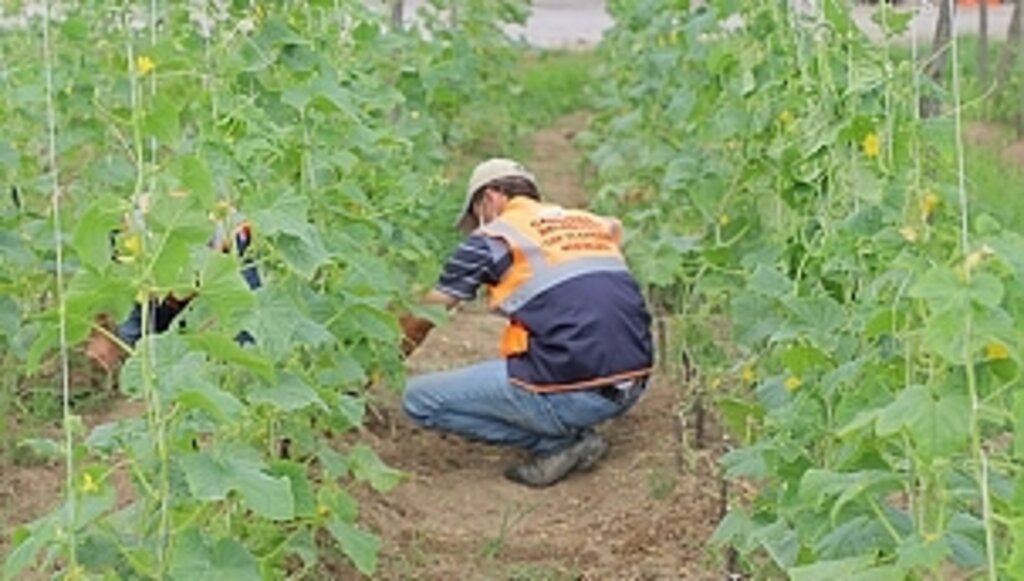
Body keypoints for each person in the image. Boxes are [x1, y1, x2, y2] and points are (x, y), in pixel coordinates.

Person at [398, 158, 654, 488]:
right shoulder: (586, 223)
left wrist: (379, 364)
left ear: (489, 199)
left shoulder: (493, 238)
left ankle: (560, 444)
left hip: (576, 391)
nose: (477, 227)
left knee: (417, 400)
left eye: (476, 217)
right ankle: (568, 421)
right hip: (633, 384)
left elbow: (424, 318)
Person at [86, 198, 261, 370]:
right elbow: (103, 278)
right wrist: (101, 333)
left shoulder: (229, 228)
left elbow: (244, 307)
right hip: (158, 297)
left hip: (207, 292)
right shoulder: (132, 225)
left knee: (243, 339)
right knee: (134, 337)